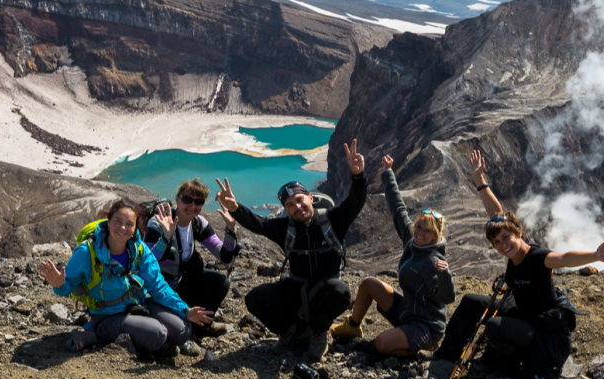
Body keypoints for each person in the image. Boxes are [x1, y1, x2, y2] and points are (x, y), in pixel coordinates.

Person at [435, 149, 604, 379]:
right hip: (521, 313)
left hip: (543, 329)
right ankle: (445, 357)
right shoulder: (512, 254)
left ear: (519, 232)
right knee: (471, 301)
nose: (503, 245)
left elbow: (565, 258)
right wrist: (479, 180)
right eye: (497, 243)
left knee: (493, 325)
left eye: (506, 238)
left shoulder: (537, 258)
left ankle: (516, 368)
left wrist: (596, 256)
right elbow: (496, 214)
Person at [215, 139, 367, 362]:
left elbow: (355, 202)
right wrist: (235, 209)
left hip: (326, 288)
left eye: (300, 200)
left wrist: (358, 176)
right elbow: (258, 223)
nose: (297, 207)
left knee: (341, 291)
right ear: (286, 209)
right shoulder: (285, 228)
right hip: (295, 287)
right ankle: (290, 331)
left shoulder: (333, 220)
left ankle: (317, 332)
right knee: (254, 299)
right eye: (290, 205)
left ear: (310, 198)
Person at [38, 198, 214, 358]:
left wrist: (185, 310)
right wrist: (59, 284)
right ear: (109, 222)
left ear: (136, 227)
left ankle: (150, 340)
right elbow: (68, 285)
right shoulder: (87, 252)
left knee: (183, 329)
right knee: (157, 333)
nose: (122, 228)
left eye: (129, 224)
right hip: (106, 315)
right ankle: (96, 333)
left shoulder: (139, 250)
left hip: (137, 305)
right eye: (118, 222)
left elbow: (158, 287)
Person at [330, 155, 456, 357]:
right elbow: (398, 208)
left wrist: (445, 275)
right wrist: (388, 173)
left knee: (379, 345)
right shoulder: (411, 240)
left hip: (425, 325)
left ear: (436, 236)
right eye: (420, 227)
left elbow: (447, 297)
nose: (421, 233)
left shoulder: (432, 260)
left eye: (427, 232)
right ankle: (353, 326)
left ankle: (422, 350)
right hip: (406, 311)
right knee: (369, 284)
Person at [143, 179, 238, 337]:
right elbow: (147, 262)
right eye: (187, 200)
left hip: (180, 284)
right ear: (177, 198)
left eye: (198, 202)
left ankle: (202, 326)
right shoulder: (158, 222)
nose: (192, 206)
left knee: (220, 282)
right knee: (179, 331)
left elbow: (225, 256)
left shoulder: (198, 224)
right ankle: (184, 325)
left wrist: (230, 229)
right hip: (157, 290)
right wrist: (165, 238)